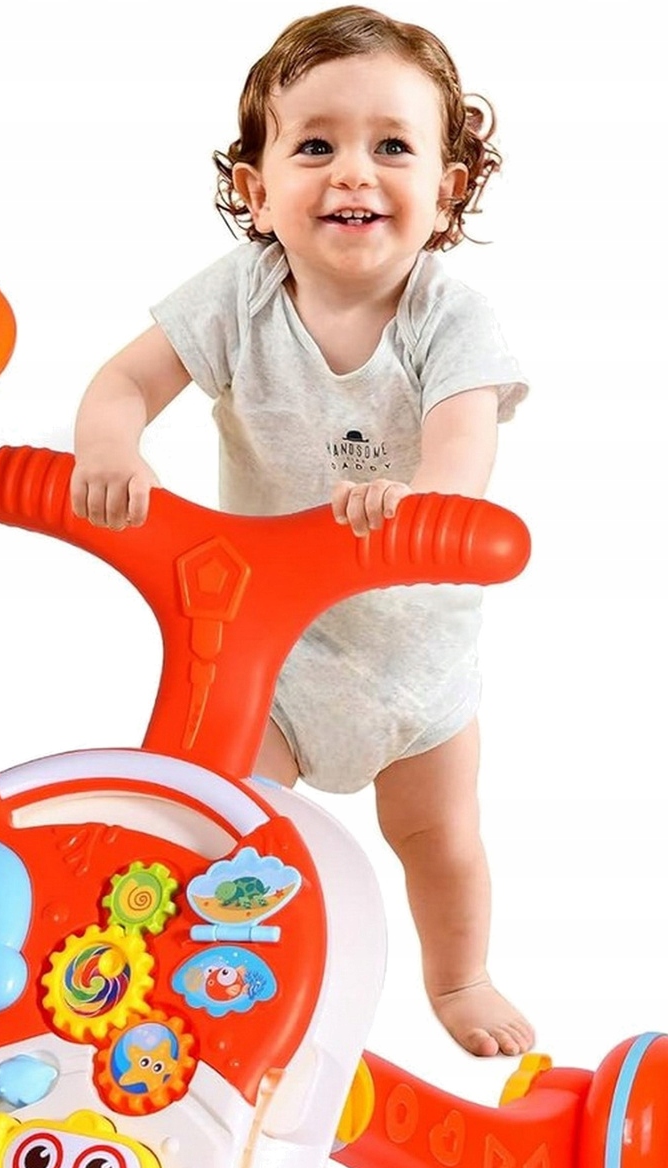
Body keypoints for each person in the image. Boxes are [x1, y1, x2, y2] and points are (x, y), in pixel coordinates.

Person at [71, 5, 532, 1057]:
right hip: (273, 651)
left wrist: (422, 504)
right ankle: (220, 987)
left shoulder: (450, 319)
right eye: (315, 145)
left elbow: (463, 448)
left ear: (446, 190)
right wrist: (110, 447)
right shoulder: (238, 297)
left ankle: (461, 978)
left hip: (411, 664)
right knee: (225, 822)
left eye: (392, 146)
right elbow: (124, 382)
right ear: (256, 190)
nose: (352, 172)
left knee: (438, 840)